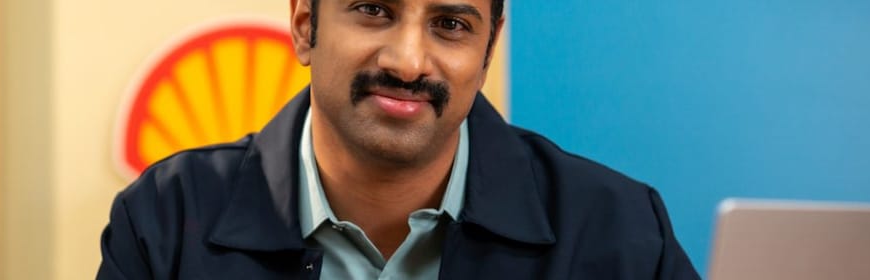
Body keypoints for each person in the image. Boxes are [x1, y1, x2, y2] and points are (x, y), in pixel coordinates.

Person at [97, 0, 701, 278]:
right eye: (374, 10)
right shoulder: (164, 220)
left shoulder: (618, 231)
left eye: (450, 25)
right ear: (306, 27)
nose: (410, 61)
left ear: (487, 49)